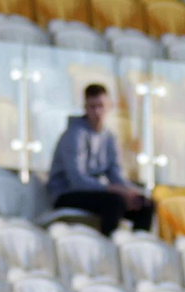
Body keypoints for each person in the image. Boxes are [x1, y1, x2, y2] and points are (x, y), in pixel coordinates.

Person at [44, 83, 151, 234]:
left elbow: (115, 175)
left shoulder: (109, 137)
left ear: (109, 106)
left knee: (144, 204)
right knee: (114, 201)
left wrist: (130, 192)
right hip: (67, 194)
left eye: (100, 106)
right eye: (92, 107)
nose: (97, 111)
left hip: (96, 193)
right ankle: (108, 245)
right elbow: (77, 181)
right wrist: (113, 189)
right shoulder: (74, 135)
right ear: (85, 108)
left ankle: (138, 250)